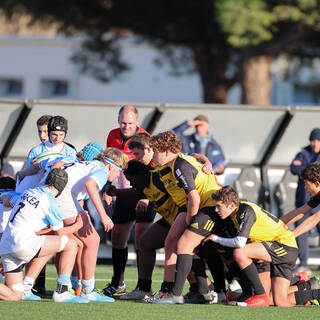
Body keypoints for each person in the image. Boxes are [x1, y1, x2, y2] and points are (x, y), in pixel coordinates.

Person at [204, 185, 320, 307]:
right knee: (280, 302)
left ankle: (260, 295)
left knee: (241, 252)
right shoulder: (235, 214)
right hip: (270, 251)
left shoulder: (245, 211)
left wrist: (216, 239)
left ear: (231, 205)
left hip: (284, 247)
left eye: (219, 206)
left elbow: (240, 243)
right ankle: (310, 288)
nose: (216, 210)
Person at [149, 131, 223, 304]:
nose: (153, 155)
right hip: (195, 205)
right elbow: (198, 156)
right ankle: (177, 291)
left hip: (209, 206)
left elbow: (194, 198)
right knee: (171, 241)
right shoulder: (180, 159)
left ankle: (176, 295)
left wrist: (191, 220)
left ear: (167, 151)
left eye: (155, 151)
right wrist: (206, 160)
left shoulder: (179, 166)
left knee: (184, 244)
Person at [0, 168, 89, 303]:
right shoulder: (51, 200)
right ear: (61, 187)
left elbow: (7, 200)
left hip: (6, 246)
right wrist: (79, 224)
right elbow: (59, 232)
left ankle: (28, 285)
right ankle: (62, 292)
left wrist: (5, 196)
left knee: (15, 295)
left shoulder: (28, 192)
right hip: (23, 243)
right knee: (71, 244)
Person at [56, 147, 127, 302]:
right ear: (110, 165)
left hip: (53, 194)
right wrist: (103, 215)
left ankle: (27, 285)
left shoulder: (88, 165)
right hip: (63, 196)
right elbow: (90, 184)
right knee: (92, 240)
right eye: (119, 170)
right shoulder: (101, 168)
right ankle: (87, 290)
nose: (118, 175)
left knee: (62, 242)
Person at [103, 105, 155, 298]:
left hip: (144, 194)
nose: (126, 126)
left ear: (137, 122)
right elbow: (109, 162)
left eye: (130, 123)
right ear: (118, 121)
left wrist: (145, 197)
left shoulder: (146, 139)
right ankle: (118, 283)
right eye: (123, 122)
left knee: (143, 239)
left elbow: (152, 169)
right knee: (118, 237)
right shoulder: (112, 135)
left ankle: (144, 286)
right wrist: (107, 188)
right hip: (123, 192)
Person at [290, 128, 320, 274]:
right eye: (312, 141)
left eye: (318, 141)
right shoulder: (303, 152)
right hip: (302, 200)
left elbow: (314, 220)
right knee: (301, 230)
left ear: (317, 183)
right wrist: (277, 225)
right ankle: (303, 263)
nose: (314, 144)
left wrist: (290, 235)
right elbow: (293, 168)